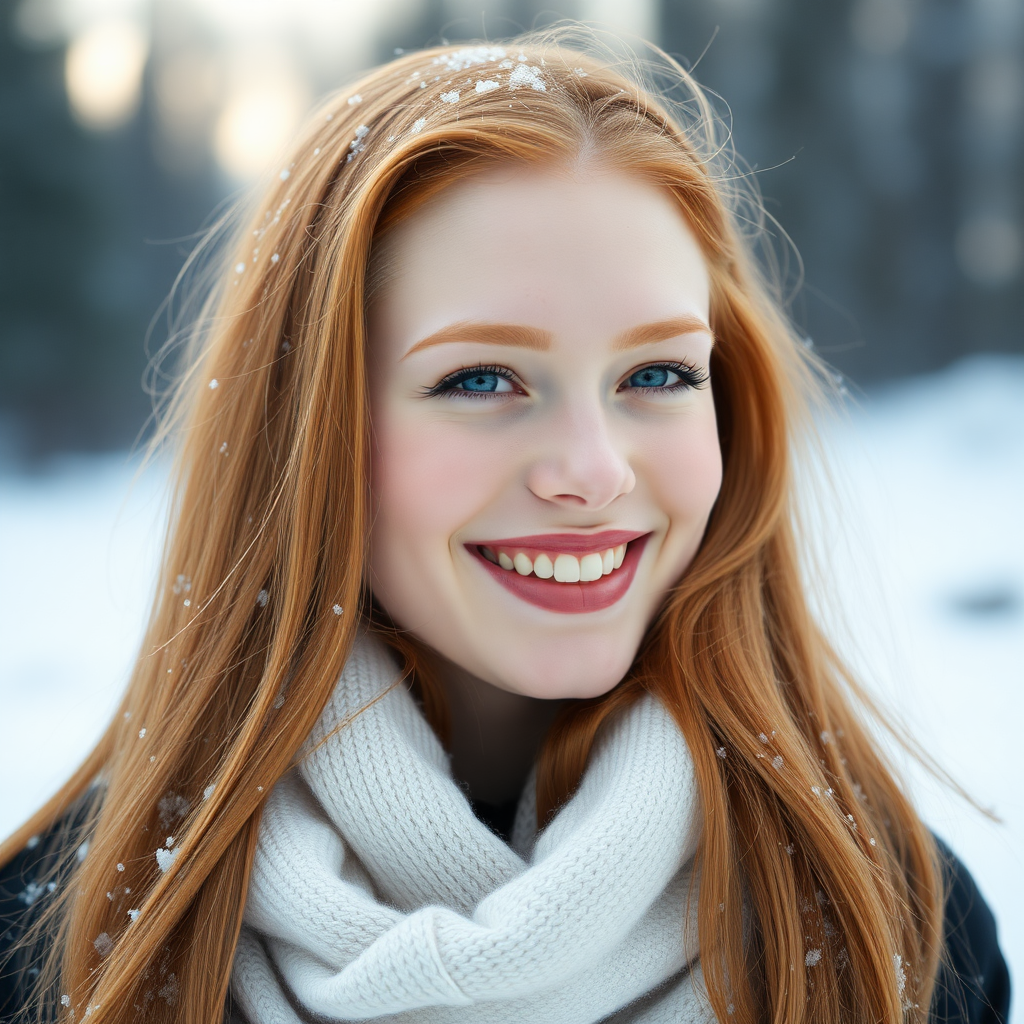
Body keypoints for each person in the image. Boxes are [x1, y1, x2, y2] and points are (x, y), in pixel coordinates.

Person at [0, 30, 1010, 1024]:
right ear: (306, 433)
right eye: (481, 377)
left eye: (655, 374)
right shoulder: (59, 946)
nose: (592, 470)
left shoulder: (894, 924)